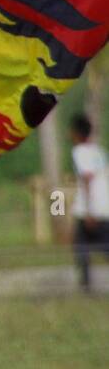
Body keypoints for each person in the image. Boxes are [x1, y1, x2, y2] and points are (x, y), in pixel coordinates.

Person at [70, 113, 109, 292]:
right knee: (97, 245)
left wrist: (89, 211)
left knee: (81, 246)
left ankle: (85, 286)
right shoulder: (99, 151)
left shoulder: (80, 152)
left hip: (91, 209)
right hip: (104, 206)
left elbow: (87, 178)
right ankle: (85, 284)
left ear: (76, 133)